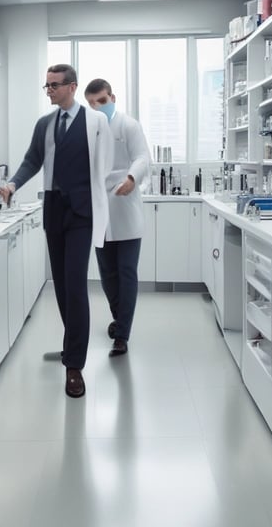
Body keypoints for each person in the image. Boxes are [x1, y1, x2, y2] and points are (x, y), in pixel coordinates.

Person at [0, 64, 113, 398]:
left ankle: (74, 366)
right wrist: (12, 184)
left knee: (76, 285)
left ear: (72, 87)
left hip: (82, 211)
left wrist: (95, 199)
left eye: (53, 85)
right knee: (61, 287)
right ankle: (71, 344)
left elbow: (103, 167)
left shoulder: (96, 123)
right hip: (54, 209)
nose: (48, 90)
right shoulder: (45, 124)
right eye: (46, 86)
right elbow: (32, 160)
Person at [84, 78, 151, 356]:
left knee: (126, 273)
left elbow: (143, 157)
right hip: (100, 212)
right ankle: (119, 318)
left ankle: (122, 333)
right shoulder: (89, 129)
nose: (97, 107)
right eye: (91, 103)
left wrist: (132, 178)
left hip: (125, 207)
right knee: (108, 276)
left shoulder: (129, 125)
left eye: (101, 101)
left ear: (113, 97)